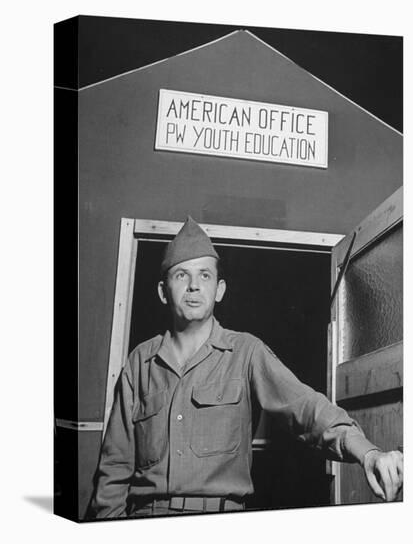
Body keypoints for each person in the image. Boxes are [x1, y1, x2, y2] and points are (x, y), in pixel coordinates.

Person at [88, 216, 403, 519]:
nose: (194, 286)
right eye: (182, 275)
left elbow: (306, 408)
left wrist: (367, 452)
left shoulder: (245, 352)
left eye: (205, 275)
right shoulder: (140, 363)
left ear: (220, 289)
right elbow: (114, 469)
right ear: (162, 291)